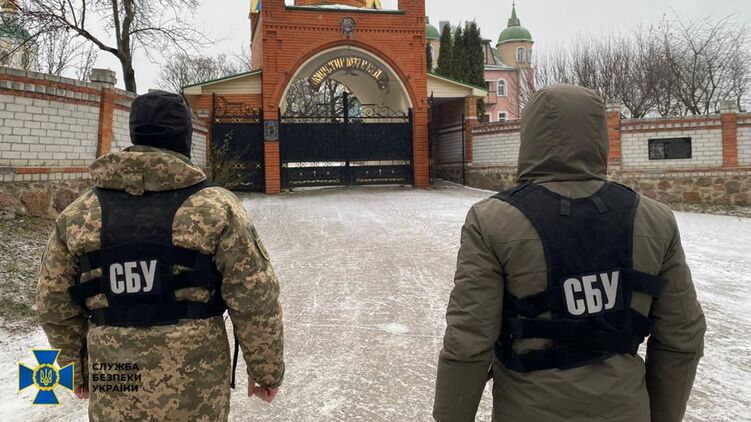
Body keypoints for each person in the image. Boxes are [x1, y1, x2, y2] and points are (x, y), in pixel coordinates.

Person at [433, 85, 705, 422]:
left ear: (530, 136)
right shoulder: (654, 219)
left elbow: (468, 343)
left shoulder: (492, 221)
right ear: (599, 134)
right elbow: (683, 337)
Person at [36, 91, 284, 421]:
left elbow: (53, 303)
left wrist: (76, 370)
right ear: (184, 138)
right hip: (196, 388)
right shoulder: (217, 208)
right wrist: (266, 371)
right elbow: (255, 298)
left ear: (135, 134)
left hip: (115, 387)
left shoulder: (78, 215)